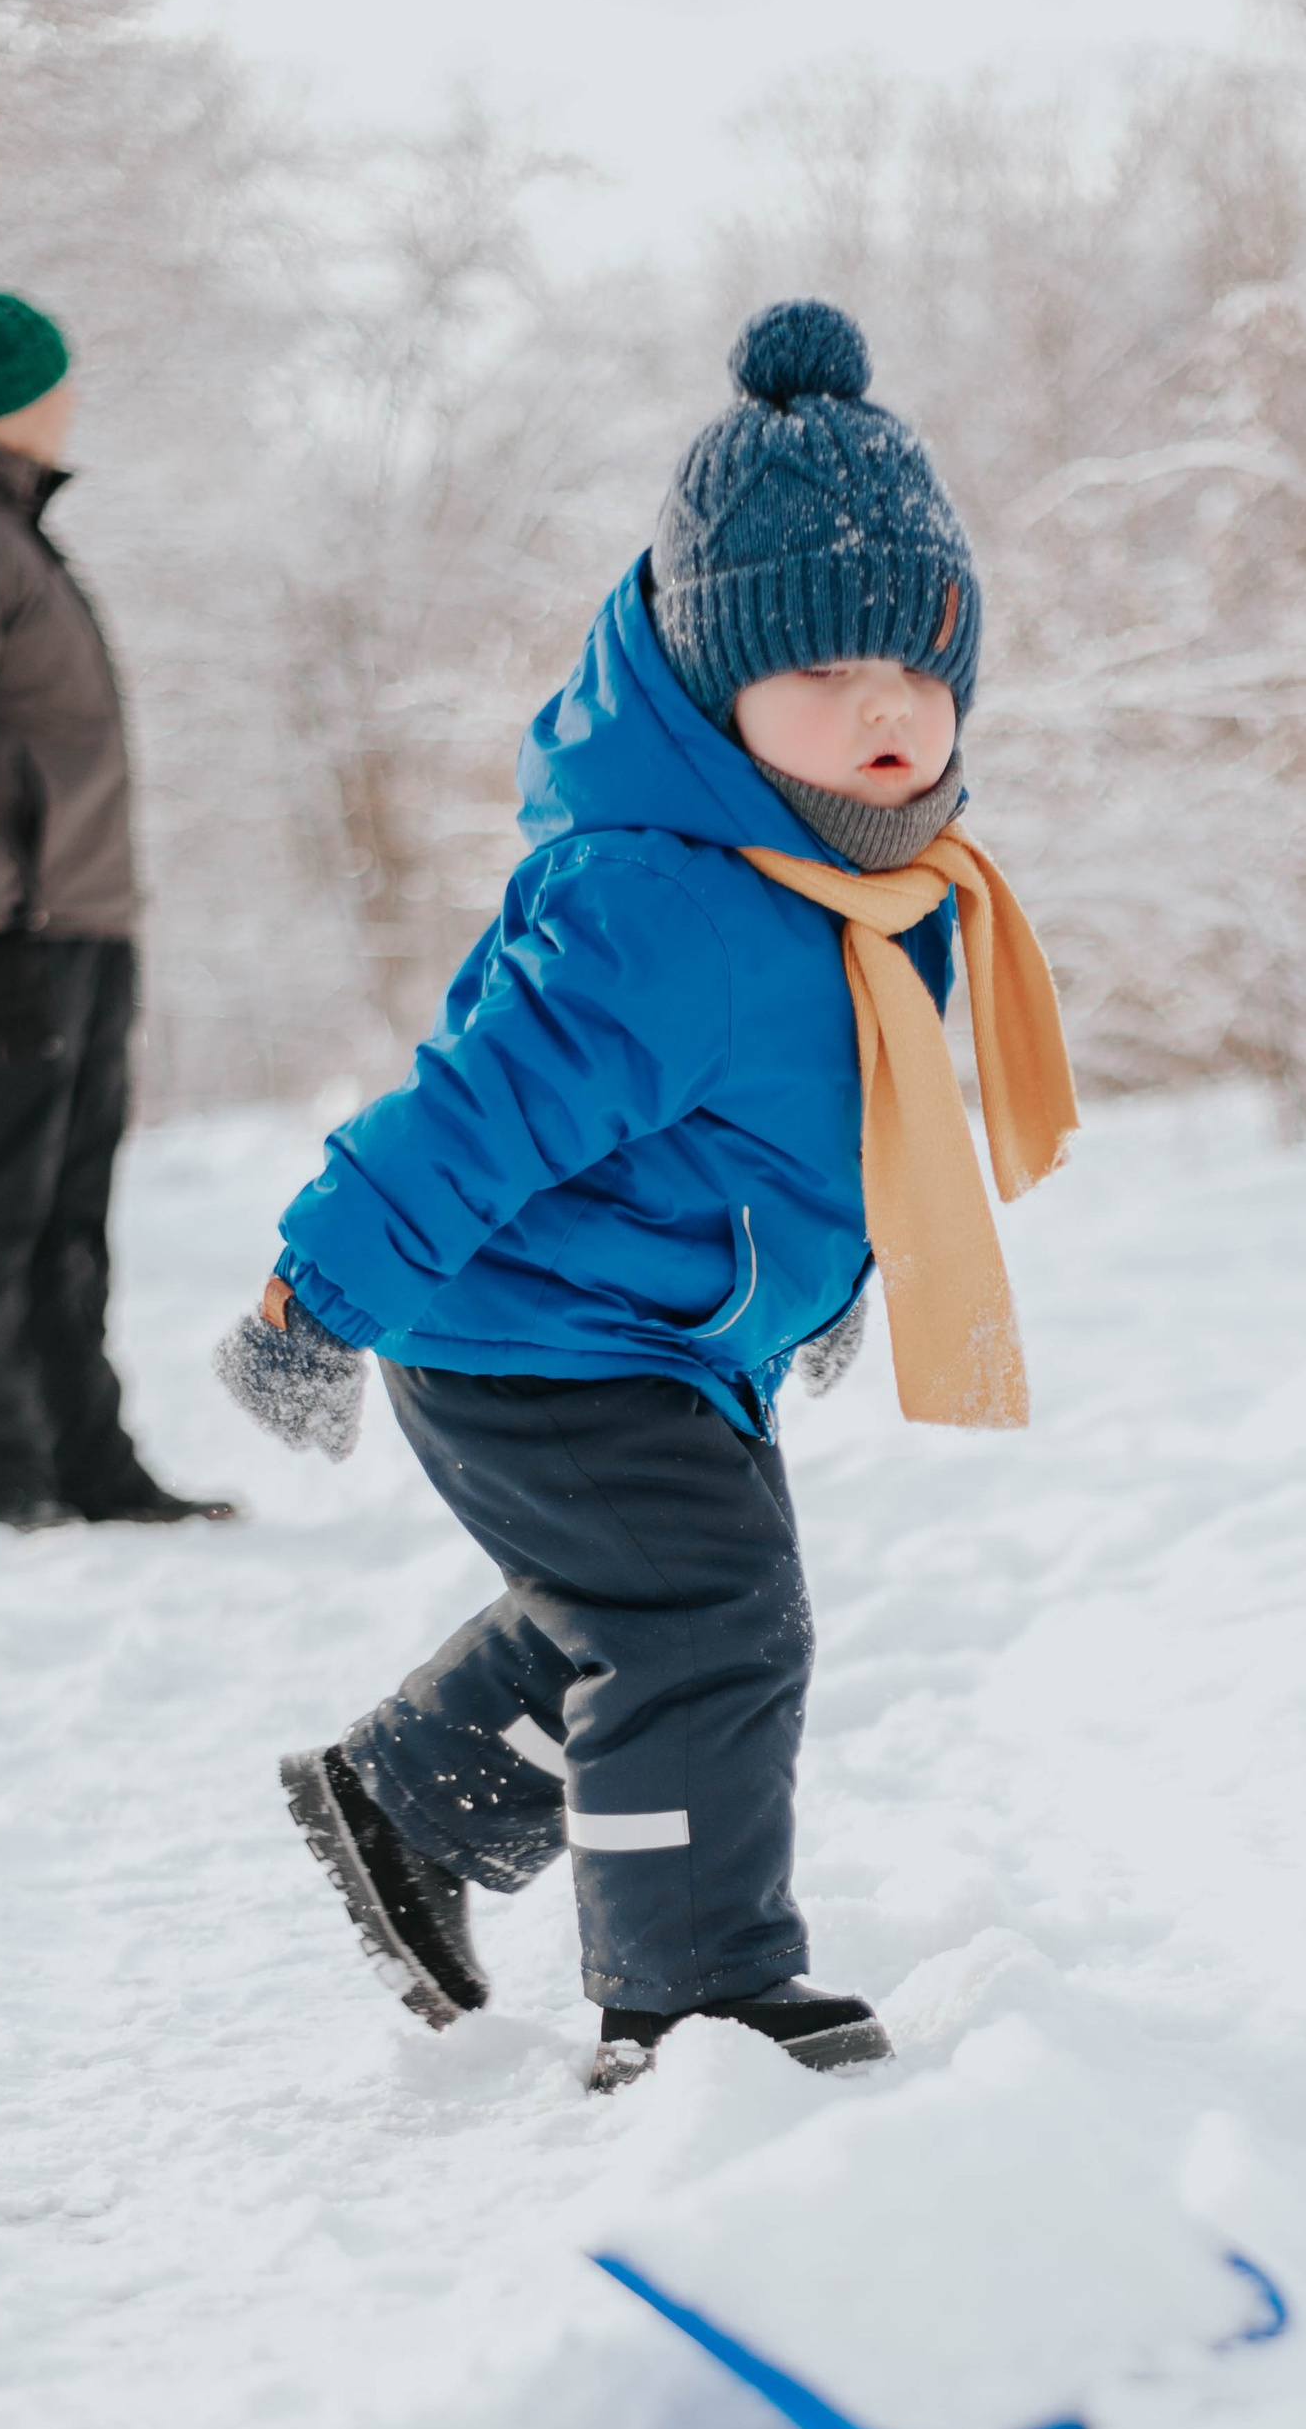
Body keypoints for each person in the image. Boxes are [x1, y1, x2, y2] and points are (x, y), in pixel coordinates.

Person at [216, 299, 1077, 2090]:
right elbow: (475, 1112)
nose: (885, 712)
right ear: (712, 679)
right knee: (710, 1614)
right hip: (530, 1330)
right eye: (826, 673)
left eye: (917, 670)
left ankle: (409, 1807)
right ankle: (688, 1994)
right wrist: (317, 1296)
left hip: (653, 1329)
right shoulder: (664, 903)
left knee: (648, 1599)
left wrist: (824, 1296)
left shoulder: (858, 879)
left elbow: (808, 1134)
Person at [0, 256, 231, 1532]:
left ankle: (86, 1459)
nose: (69, 405)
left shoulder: (3, 527)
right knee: (1, 1202)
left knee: (72, 1211)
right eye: (52, 386)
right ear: (7, 400)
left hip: (82, 925)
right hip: (8, 936)